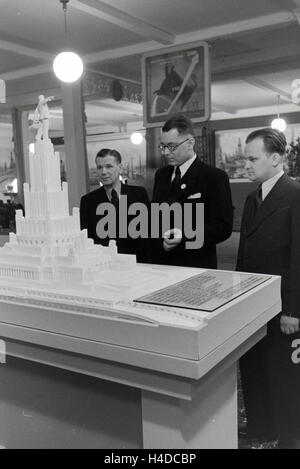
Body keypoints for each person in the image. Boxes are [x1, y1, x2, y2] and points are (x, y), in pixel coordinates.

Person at [237, 127, 300, 449]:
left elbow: (298, 258)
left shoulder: (294, 194)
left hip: (283, 307)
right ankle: (261, 425)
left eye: (252, 158)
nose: (245, 165)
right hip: (254, 304)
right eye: (244, 158)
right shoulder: (253, 197)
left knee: (283, 374)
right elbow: (244, 255)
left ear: (275, 159)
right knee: (255, 367)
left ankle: (290, 435)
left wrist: (293, 310)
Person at [151, 114, 233, 268]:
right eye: (163, 146)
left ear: (190, 143)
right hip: (162, 265)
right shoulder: (161, 175)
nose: (166, 152)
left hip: (196, 265)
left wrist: (185, 236)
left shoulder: (213, 177)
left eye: (172, 146)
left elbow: (223, 227)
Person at [80, 148, 149, 262]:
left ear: (120, 168)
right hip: (105, 265)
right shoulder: (88, 201)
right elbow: (88, 239)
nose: (103, 172)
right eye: (99, 167)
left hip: (138, 262)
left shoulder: (139, 194)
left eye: (109, 166)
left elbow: (147, 232)